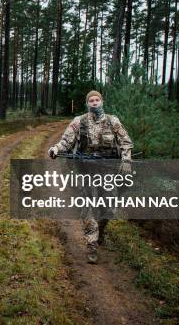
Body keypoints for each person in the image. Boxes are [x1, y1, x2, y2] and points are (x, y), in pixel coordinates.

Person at [48, 90, 133, 263]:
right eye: (91, 101)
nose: (94, 103)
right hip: (85, 169)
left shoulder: (113, 121)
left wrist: (126, 161)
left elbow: (126, 142)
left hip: (107, 170)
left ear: (102, 101)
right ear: (87, 104)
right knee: (87, 207)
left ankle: (101, 229)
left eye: (97, 100)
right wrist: (56, 149)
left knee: (109, 207)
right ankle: (92, 244)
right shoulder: (78, 122)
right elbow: (66, 141)